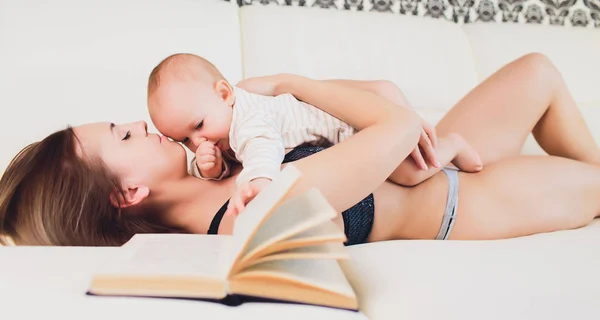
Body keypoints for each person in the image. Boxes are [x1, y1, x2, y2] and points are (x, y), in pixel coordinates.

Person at [1, 53, 600, 247]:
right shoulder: (250, 210)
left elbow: (385, 98)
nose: (140, 123)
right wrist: (289, 86)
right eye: (124, 135)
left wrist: (258, 111)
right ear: (126, 193)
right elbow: (391, 124)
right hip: (467, 203)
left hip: (438, 152)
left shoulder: (225, 154)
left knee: (537, 71)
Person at [146, 53, 482, 215]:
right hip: (335, 125)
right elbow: (231, 157)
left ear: (224, 94)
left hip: (345, 127)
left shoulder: (248, 119)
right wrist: (213, 167)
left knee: (409, 174)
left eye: (199, 127)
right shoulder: (219, 123)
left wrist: (259, 181)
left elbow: (261, 147)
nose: (198, 143)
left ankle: (452, 144)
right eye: (185, 140)